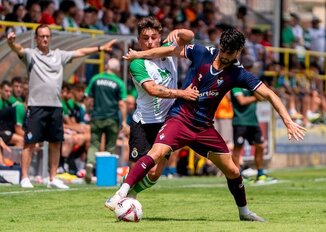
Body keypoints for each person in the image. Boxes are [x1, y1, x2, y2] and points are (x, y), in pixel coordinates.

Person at [107, 27, 306, 221]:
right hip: (180, 118)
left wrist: (288, 122)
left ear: (238, 52)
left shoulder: (238, 73)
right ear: (220, 46)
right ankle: (119, 194)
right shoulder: (202, 52)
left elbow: (270, 94)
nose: (226, 57)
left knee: (234, 171)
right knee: (156, 153)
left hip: (204, 129)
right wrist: (140, 54)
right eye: (224, 52)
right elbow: (171, 49)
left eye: (231, 54)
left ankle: (244, 212)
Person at [105, 16, 198, 209]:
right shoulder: (137, 63)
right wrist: (182, 93)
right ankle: (126, 200)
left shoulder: (169, 50)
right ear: (139, 40)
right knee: (137, 170)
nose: (149, 42)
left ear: (159, 37)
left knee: (155, 174)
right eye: (145, 38)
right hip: (144, 123)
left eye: (154, 37)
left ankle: (130, 193)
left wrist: (179, 32)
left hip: (167, 123)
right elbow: (153, 90)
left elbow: (190, 36)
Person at [7, 24, 117, 189]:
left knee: (56, 143)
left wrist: (101, 48)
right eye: (41, 36)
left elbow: (80, 52)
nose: (44, 39)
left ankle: (52, 178)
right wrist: (10, 43)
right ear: (36, 38)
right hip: (36, 107)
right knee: (29, 143)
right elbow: (18, 49)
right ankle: (25, 177)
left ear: (50, 38)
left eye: (47, 36)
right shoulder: (30, 55)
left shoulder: (59, 55)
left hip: (56, 107)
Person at [231, 56, 276, 184]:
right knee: (237, 149)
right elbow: (242, 101)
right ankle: (237, 176)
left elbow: (262, 97)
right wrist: (255, 97)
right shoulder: (236, 84)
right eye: (249, 68)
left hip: (253, 121)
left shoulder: (251, 82)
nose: (251, 71)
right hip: (240, 121)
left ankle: (260, 173)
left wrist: (256, 93)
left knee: (260, 146)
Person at [84, 58, 128, 183]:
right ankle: (107, 175)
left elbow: (88, 99)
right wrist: (124, 121)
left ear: (106, 66)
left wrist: (88, 112)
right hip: (112, 118)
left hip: (96, 117)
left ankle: (90, 164)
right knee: (110, 146)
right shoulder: (119, 83)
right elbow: (122, 104)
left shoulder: (95, 78)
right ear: (118, 69)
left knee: (94, 144)